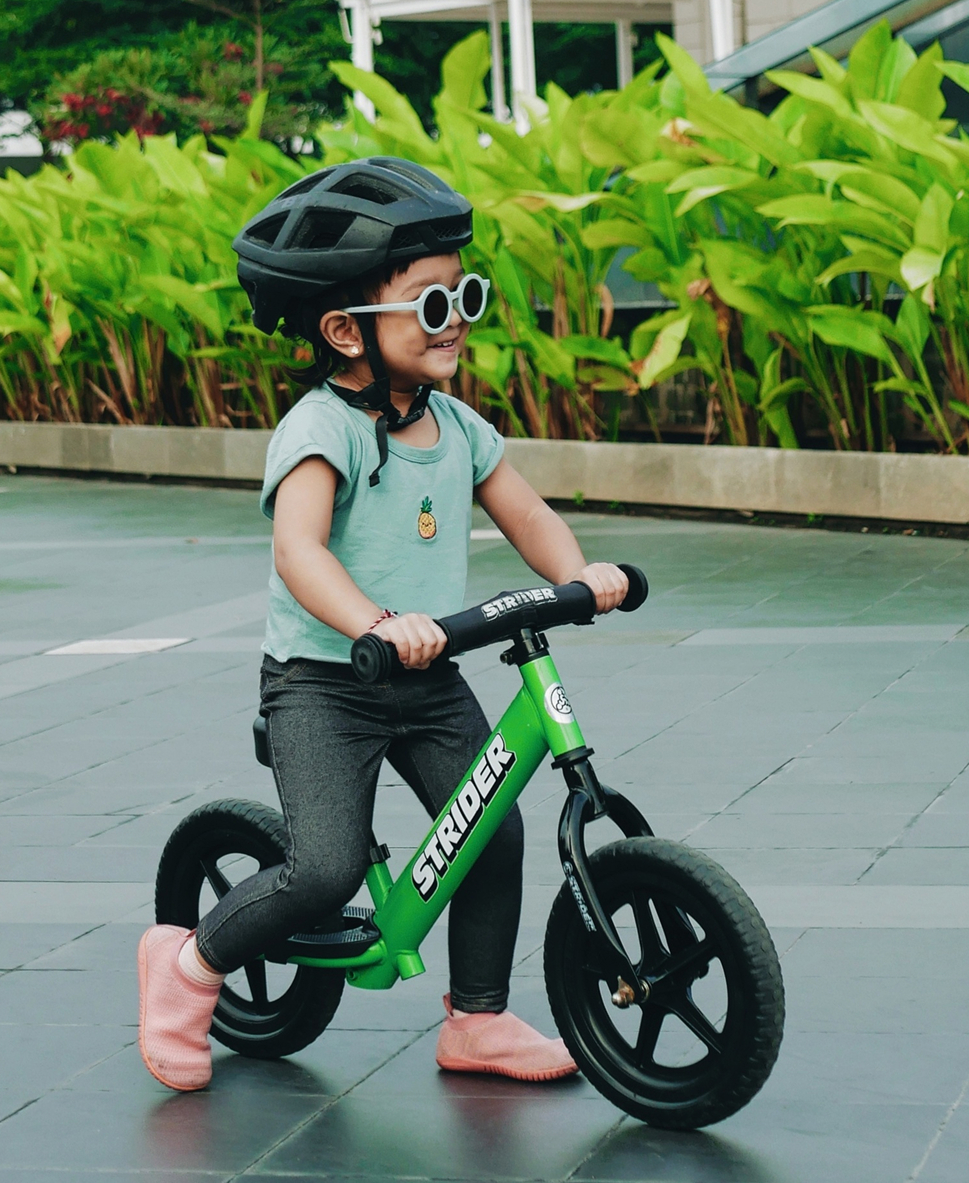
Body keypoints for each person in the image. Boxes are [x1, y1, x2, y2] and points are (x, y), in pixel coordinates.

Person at [136, 158, 628, 1092]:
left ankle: (475, 1019)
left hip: (427, 675)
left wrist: (579, 575)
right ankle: (186, 964)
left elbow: (524, 512)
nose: (458, 323)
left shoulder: (459, 426)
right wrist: (376, 620)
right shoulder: (320, 430)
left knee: (492, 830)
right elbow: (300, 552)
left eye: (464, 298)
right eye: (432, 306)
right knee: (322, 868)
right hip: (326, 682)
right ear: (343, 331)